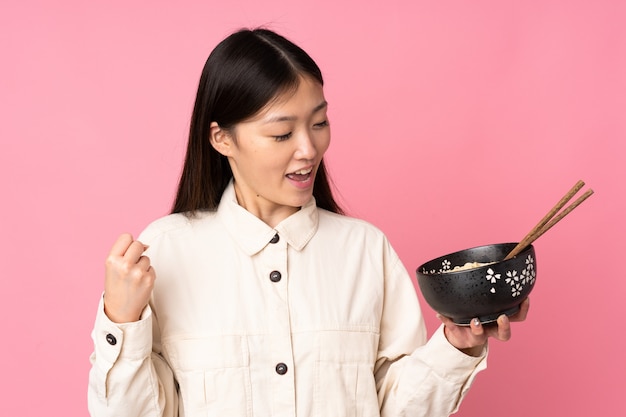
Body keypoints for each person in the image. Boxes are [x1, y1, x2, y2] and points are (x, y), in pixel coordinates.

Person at [88, 28, 529, 417]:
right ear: (221, 137)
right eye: (282, 134)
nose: (308, 149)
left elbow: (396, 408)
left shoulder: (364, 250)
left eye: (319, 123)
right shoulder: (168, 251)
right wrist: (121, 321)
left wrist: (456, 346)